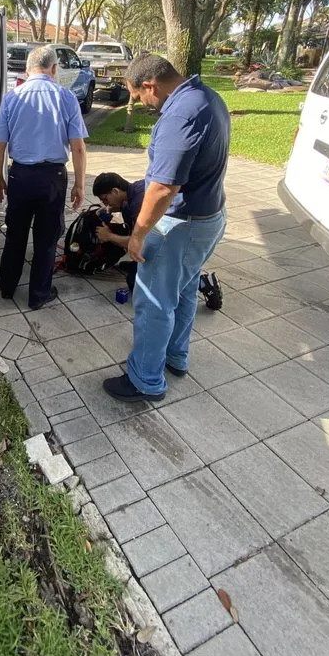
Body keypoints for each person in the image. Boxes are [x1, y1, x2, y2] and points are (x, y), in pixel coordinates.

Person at [103, 54, 230, 403]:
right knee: (184, 292)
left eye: (139, 96)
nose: (142, 104)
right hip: (208, 218)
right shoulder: (207, 98)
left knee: (154, 301)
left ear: (150, 85)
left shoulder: (180, 114)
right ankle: (176, 357)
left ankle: (145, 379)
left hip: (181, 226)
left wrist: (138, 235)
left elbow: (162, 188)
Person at [0, 45, 88, 310]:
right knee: (46, 240)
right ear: (54, 69)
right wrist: (80, 184)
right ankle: (38, 296)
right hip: (52, 178)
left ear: (27, 68)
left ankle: (7, 288)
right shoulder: (66, 98)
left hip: (20, 176)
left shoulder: (13, 98)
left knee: (15, 235)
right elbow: (78, 147)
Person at [92, 171, 145, 291]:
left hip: (169, 241)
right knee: (125, 209)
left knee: (133, 284)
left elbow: (141, 240)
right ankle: (136, 264)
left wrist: (109, 236)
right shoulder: (133, 190)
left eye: (105, 199)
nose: (106, 204)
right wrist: (115, 209)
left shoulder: (139, 204)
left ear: (115, 191)